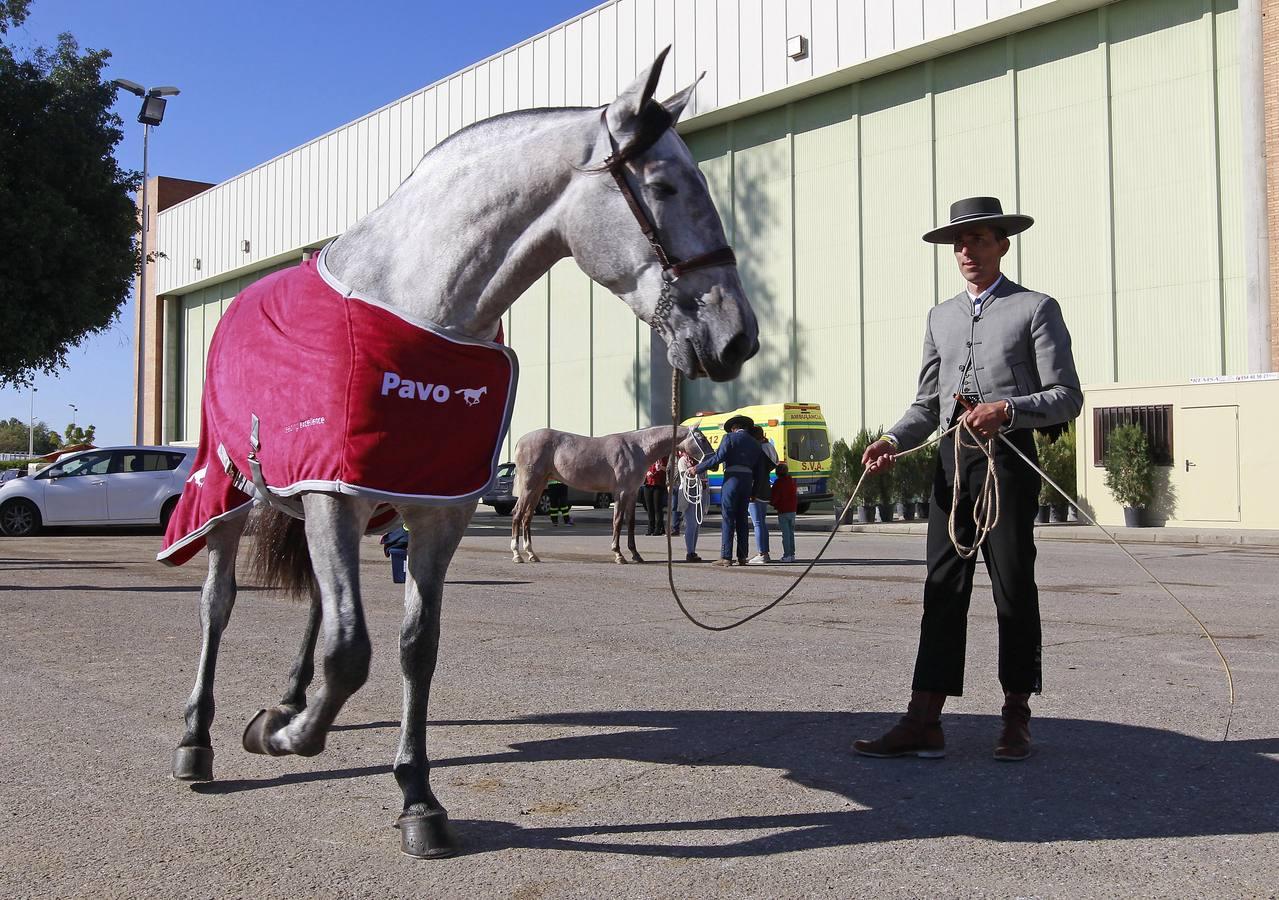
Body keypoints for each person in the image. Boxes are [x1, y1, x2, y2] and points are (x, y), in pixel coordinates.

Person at [853, 197, 1082, 763]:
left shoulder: (1036, 309)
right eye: (959, 243)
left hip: (1009, 462)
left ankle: (1015, 716)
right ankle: (924, 719)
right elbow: (927, 405)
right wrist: (890, 441)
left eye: (979, 240)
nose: (966, 251)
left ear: (1002, 244)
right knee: (941, 589)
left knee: (1012, 587)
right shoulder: (940, 317)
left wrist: (1007, 409)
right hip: (953, 464)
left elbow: (1067, 397)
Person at [694, 415, 762, 566]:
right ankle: (742, 556)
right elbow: (759, 471)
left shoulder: (729, 438)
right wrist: (754, 492)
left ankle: (726, 557)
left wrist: (697, 468)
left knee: (728, 518)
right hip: (747, 482)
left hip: (732, 480)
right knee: (742, 520)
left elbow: (718, 458)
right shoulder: (755, 443)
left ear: (733, 428)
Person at [745, 425, 778, 564]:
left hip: (756, 490)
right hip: (765, 488)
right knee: (762, 523)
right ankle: (765, 552)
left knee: (757, 523)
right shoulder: (769, 446)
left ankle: (762, 553)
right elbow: (775, 462)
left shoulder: (757, 450)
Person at [675, 449, 710, 562]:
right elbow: (685, 477)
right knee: (691, 523)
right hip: (688, 494)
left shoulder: (700, 461)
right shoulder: (682, 461)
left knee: (697, 524)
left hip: (701, 493)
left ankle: (693, 551)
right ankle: (689, 552)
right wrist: (700, 479)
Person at [770, 463, 798, 563]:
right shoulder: (792, 481)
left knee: (785, 534)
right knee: (791, 533)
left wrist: (773, 503)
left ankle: (787, 555)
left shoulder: (778, 483)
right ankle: (792, 554)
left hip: (783, 511)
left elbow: (775, 497)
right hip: (793, 510)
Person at [642, 456, 668, 536]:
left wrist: (661, 467)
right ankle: (651, 528)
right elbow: (642, 467)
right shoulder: (648, 457)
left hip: (658, 484)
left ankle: (658, 528)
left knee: (657, 508)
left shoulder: (663, 456)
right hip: (648, 484)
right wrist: (646, 472)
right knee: (649, 508)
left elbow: (668, 469)